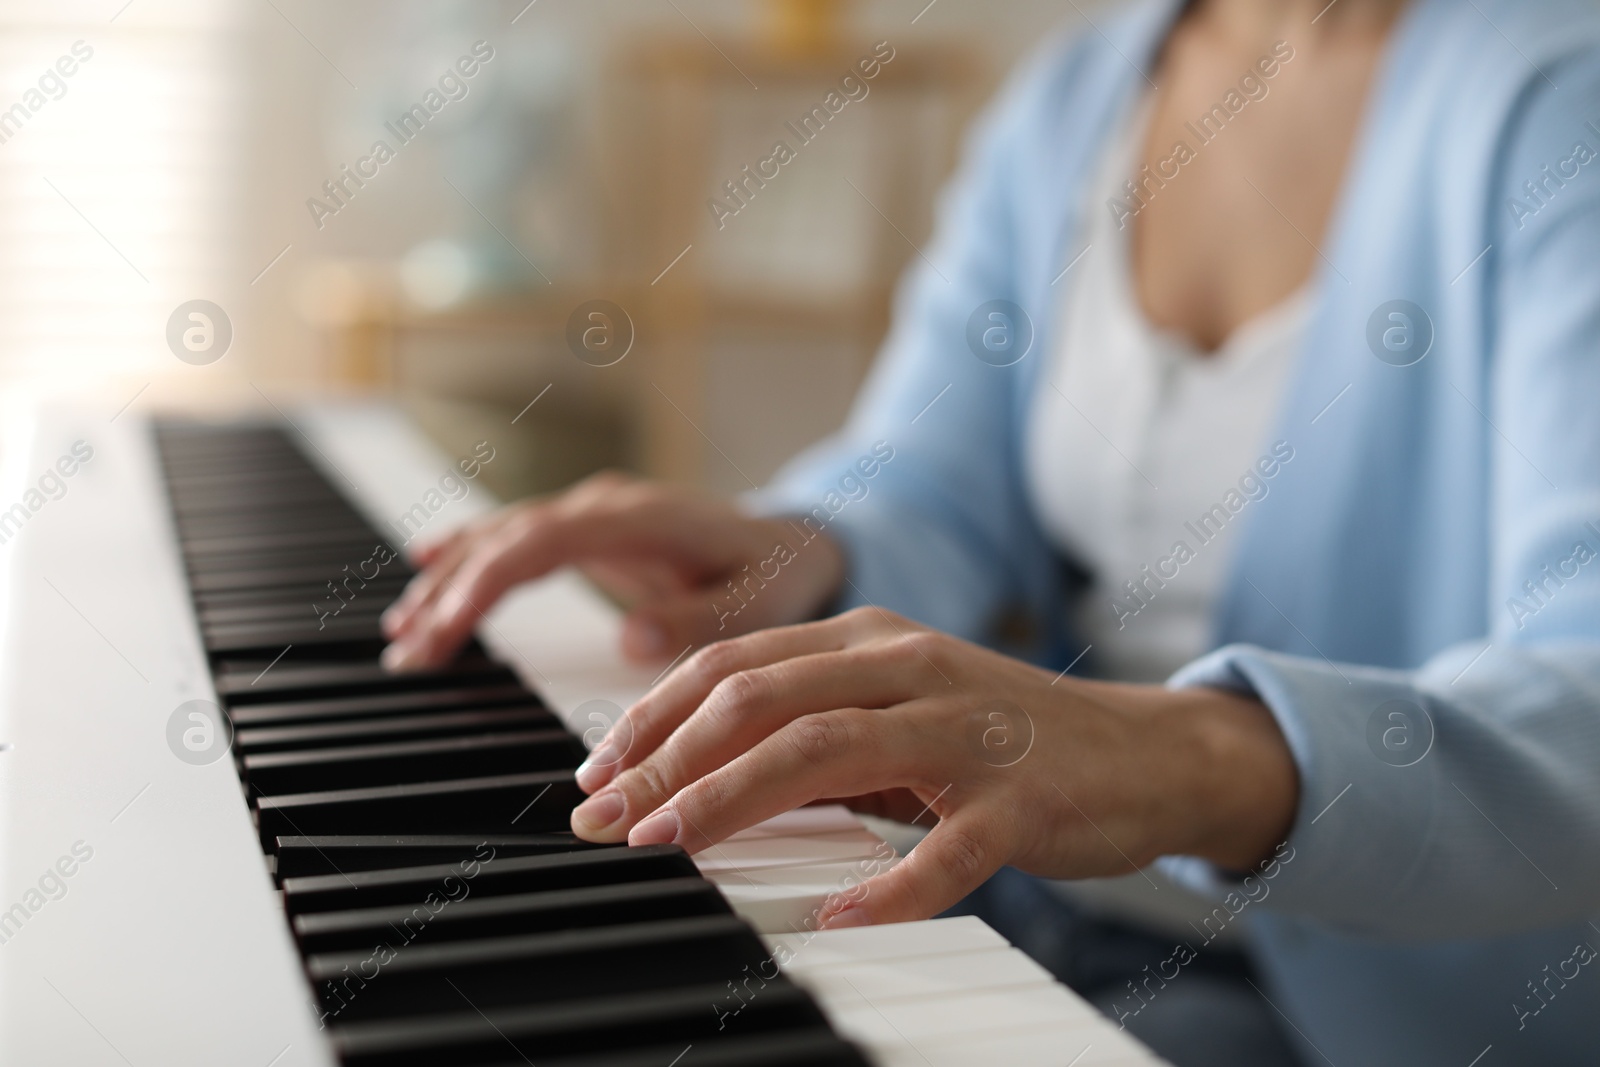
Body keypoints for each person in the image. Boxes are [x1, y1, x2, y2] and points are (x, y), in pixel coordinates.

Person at [380, 0, 1600, 1062]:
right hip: (1013, 907)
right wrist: (795, 549)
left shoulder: (1558, 91)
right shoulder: (1074, 95)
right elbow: (931, 477)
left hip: (1349, 1008)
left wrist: (1183, 760)